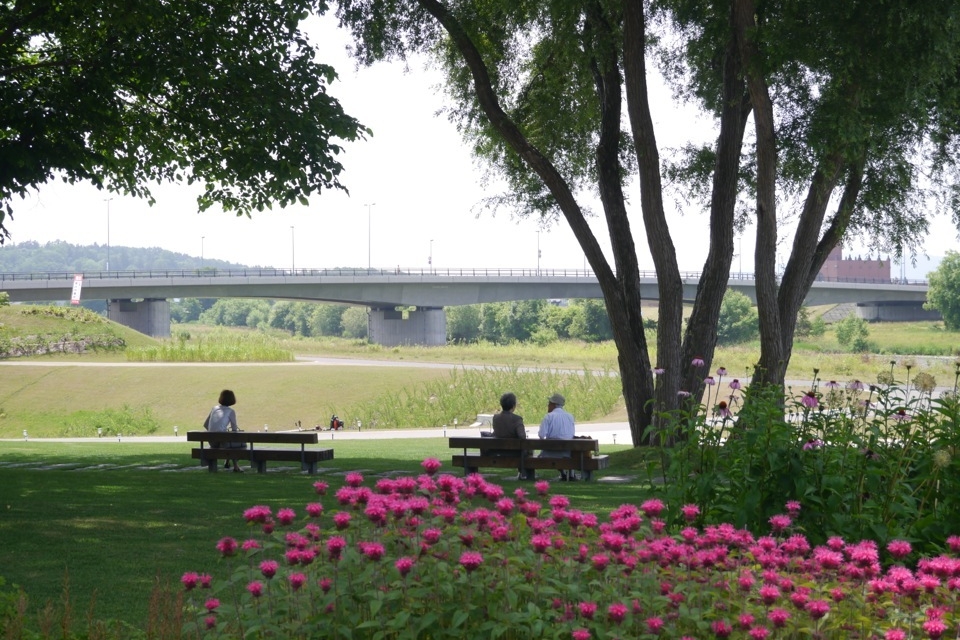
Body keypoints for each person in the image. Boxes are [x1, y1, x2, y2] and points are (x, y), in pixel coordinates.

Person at [491, 392, 532, 479]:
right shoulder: (517, 419)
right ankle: (524, 473)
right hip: (515, 452)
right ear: (513, 406)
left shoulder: (496, 418)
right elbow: (522, 437)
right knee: (528, 450)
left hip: (499, 451)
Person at [203, 389, 245, 473]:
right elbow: (234, 430)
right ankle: (236, 467)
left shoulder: (214, 408)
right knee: (242, 444)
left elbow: (206, 425)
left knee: (229, 444)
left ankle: (227, 461)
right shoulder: (231, 411)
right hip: (223, 441)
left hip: (211, 441)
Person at [538, 392, 576, 480]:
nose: (548, 405)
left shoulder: (548, 417)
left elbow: (541, 435)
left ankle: (563, 473)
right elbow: (572, 434)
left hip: (549, 452)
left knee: (552, 450)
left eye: (549, 403)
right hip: (567, 453)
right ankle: (570, 474)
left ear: (553, 405)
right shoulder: (570, 416)